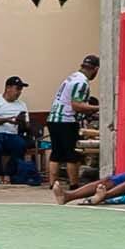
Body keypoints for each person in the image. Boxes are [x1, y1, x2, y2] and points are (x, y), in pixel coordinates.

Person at [46, 55, 101, 195]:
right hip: (67, 120)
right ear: (95, 69)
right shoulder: (82, 82)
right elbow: (76, 105)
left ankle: (53, 183)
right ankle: (74, 185)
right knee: (71, 154)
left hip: (53, 118)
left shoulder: (72, 77)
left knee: (56, 153)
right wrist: (98, 108)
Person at [0, 76, 33, 183]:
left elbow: (27, 125)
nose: (19, 92)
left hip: (11, 134)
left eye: (21, 90)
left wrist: (22, 122)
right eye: (17, 89)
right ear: (8, 88)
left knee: (20, 145)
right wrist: (7, 120)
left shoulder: (22, 105)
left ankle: (9, 174)